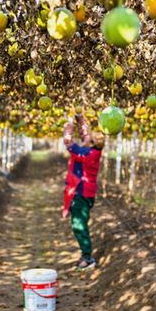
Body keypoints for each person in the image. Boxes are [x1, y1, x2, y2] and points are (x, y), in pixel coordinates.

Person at [62, 112, 106, 271]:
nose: (85, 138)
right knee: (80, 223)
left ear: (92, 143)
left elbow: (69, 143)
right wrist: (80, 119)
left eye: (88, 138)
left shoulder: (86, 154)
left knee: (79, 225)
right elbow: (85, 135)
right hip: (87, 193)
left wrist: (69, 124)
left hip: (81, 193)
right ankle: (85, 255)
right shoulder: (92, 151)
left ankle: (87, 257)